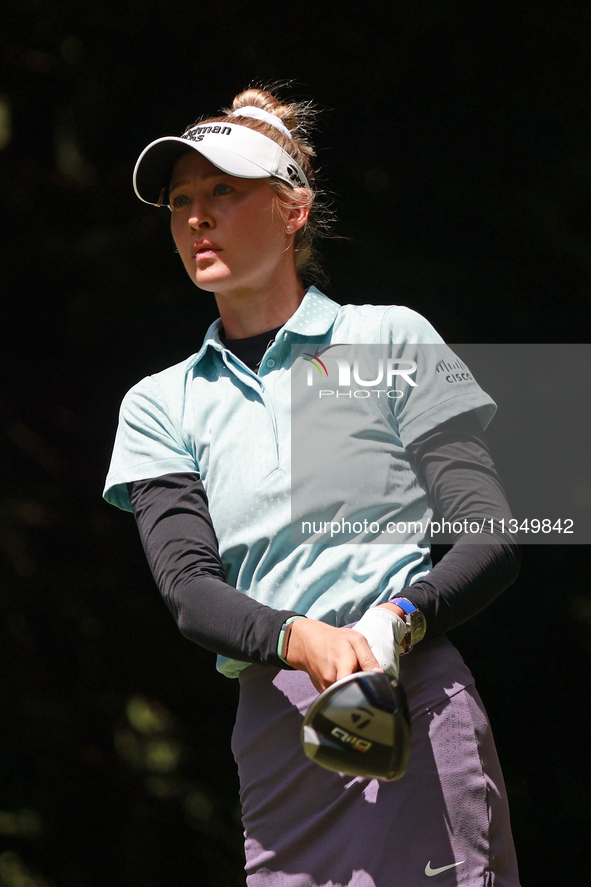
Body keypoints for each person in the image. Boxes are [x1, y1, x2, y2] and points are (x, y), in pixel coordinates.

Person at [104, 87, 522, 886]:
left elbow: (489, 533)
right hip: (277, 731)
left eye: (224, 191)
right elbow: (190, 589)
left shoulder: (388, 338)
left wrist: (396, 620)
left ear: (293, 209)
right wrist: (304, 639)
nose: (197, 217)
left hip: (410, 698)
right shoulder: (160, 402)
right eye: (181, 201)